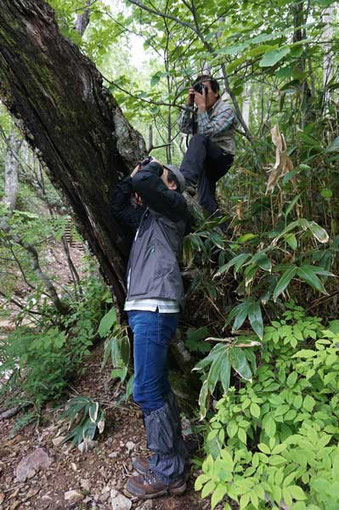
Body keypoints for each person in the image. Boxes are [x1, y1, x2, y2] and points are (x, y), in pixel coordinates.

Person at [111, 158, 189, 499]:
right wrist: (130, 178)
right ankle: (174, 457)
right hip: (145, 304)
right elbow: (116, 207)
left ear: (170, 185)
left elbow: (146, 184)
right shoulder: (147, 218)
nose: (156, 176)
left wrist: (151, 167)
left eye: (163, 175)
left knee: (145, 391)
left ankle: (168, 471)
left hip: (155, 304)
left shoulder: (175, 207)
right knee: (156, 385)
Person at [179, 74, 236, 219]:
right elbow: (183, 127)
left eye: (205, 90)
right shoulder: (198, 110)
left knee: (198, 139)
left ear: (216, 93)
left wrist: (202, 108)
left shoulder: (226, 109)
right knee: (205, 199)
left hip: (221, 157)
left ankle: (185, 180)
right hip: (204, 160)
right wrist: (189, 105)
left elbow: (206, 134)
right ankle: (222, 233)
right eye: (199, 91)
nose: (202, 95)